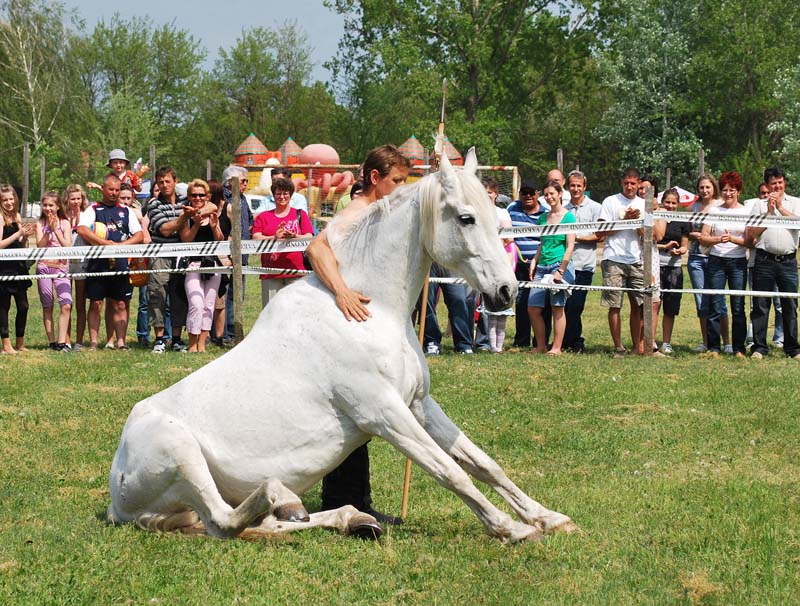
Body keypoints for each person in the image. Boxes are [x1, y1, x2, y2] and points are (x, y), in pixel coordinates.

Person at [306, 144, 410, 525]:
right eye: (397, 181)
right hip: (338, 325)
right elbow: (317, 248)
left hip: (355, 325)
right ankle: (342, 501)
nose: (401, 188)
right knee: (348, 417)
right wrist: (342, 291)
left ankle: (357, 500)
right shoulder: (358, 210)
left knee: (356, 419)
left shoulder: (378, 210)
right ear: (374, 178)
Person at [76, 173, 144, 350]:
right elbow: (81, 229)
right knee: (96, 304)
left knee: (120, 303)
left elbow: (139, 235)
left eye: (117, 190)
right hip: (97, 263)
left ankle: (121, 342)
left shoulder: (126, 211)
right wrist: (105, 244)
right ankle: (93, 342)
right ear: (103, 189)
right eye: (110, 189)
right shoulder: (93, 209)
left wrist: (120, 246)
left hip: (120, 263)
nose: (114, 193)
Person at [744, 167, 800, 359]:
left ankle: (792, 348)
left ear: (784, 183)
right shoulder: (758, 205)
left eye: (780, 182)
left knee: (789, 305)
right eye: (773, 183)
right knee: (760, 304)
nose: (777, 186)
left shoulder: (795, 202)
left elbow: (797, 224)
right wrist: (769, 212)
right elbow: (752, 233)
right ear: (767, 186)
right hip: (764, 260)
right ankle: (759, 347)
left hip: (788, 262)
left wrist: (780, 208)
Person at [698, 172, 750, 358]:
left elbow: (749, 241)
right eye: (725, 190)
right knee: (715, 304)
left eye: (732, 190)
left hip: (738, 262)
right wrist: (718, 239)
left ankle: (738, 348)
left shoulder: (746, 211)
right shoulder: (714, 211)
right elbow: (703, 238)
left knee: (738, 306)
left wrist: (733, 239)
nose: (728, 193)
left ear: (739, 191)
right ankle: (714, 347)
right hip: (716, 261)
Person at [596, 168, 646, 356]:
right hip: (613, 258)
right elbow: (600, 232)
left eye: (633, 183)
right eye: (626, 183)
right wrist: (623, 220)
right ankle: (618, 346)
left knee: (639, 305)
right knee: (614, 304)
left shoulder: (643, 204)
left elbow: (648, 235)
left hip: (636, 259)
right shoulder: (610, 201)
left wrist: (637, 222)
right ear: (621, 183)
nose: (629, 187)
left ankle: (637, 346)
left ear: (639, 184)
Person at [146, 166, 192, 353]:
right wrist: (184, 217)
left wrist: (187, 215)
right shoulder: (154, 204)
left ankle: (177, 339)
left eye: (167, 181)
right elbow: (164, 230)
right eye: (160, 182)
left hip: (181, 255)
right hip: (160, 255)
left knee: (178, 295)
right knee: (157, 295)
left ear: (175, 181)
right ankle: (159, 339)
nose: (164, 185)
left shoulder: (186, 201)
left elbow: (208, 206)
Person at [528, 180, 576, 355]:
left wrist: (561, 270)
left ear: (560, 194)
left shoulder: (569, 217)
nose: (549, 197)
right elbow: (543, 243)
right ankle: (541, 346)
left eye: (552, 194)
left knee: (557, 307)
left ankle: (556, 348)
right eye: (546, 195)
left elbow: (570, 246)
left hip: (559, 265)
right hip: (542, 267)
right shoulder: (542, 218)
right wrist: (534, 261)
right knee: (533, 308)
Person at [252, 176, 314, 307]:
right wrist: (274, 238)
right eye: (278, 193)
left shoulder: (300, 214)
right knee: (271, 309)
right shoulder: (263, 217)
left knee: (296, 309)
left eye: (285, 193)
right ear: (273, 196)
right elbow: (256, 238)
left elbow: (309, 236)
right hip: (271, 272)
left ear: (290, 195)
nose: (282, 197)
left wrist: (294, 236)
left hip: (296, 270)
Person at [179, 179, 225, 353]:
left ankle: (202, 344)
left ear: (207, 196)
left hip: (212, 263)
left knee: (208, 304)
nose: (197, 198)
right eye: (194, 195)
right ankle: (192, 343)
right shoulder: (185, 216)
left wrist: (214, 227)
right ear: (189, 196)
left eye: (201, 195)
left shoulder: (213, 212)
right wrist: (196, 225)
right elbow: (186, 239)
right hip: (192, 263)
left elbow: (220, 239)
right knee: (196, 303)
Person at [687, 174, 731, 354]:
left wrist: (708, 237)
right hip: (696, 257)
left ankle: (727, 342)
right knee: (701, 301)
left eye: (708, 187)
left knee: (719, 301)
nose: (704, 190)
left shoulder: (721, 205)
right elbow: (687, 231)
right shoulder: (693, 207)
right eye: (701, 187)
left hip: (716, 256)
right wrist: (694, 235)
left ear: (714, 188)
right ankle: (706, 342)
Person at [507, 179, 549, 347]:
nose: (528, 196)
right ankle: (521, 341)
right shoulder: (512, 209)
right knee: (521, 302)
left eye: (532, 193)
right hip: (519, 265)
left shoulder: (545, 214)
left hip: (540, 265)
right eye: (524, 193)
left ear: (538, 194)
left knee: (542, 303)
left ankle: (541, 341)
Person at [563, 170, 602, 353]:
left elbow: (599, 235)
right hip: (566, 265)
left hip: (585, 265)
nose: (576, 189)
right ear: (568, 187)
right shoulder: (563, 209)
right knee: (564, 305)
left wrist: (576, 237)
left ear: (585, 187)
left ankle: (575, 340)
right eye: (572, 185)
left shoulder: (595, 207)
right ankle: (568, 341)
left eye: (579, 185)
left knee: (577, 305)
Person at [745, 182, 783, 348]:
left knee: (780, 304)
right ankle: (753, 338)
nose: (766, 195)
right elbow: (750, 235)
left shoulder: (783, 208)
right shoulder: (756, 208)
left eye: (769, 192)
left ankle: (779, 338)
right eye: (763, 193)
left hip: (779, 263)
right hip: (757, 263)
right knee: (757, 303)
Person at [35, 192, 72, 352]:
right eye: (45, 205)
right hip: (44, 267)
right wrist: (48, 230)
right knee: (47, 305)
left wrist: (56, 229)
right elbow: (40, 245)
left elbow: (67, 246)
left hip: (61, 267)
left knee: (66, 304)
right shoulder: (39, 223)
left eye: (51, 205)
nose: (48, 208)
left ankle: (62, 342)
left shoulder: (65, 223)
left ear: (58, 206)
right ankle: (52, 342)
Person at [653, 188, 689, 354]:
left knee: (670, 307)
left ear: (678, 204)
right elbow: (650, 242)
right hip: (656, 265)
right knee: (654, 304)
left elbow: (685, 246)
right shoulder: (656, 217)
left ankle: (666, 342)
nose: (670, 205)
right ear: (662, 202)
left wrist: (680, 250)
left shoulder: (683, 220)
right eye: (667, 202)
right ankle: (651, 341)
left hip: (674, 267)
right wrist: (664, 247)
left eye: (674, 203)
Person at [0, 185, 34, 354]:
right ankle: (6, 345)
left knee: (24, 306)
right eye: (5, 199)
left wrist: (25, 236)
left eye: (11, 198)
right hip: (4, 268)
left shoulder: (17, 215)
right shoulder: (0, 218)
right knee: (3, 306)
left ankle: (20, 343)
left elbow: (20, 244)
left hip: (18, 267)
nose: (9, 202)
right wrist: (18, 233)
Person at [222, 165, 253, 344]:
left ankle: (234, 330)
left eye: (246, 181)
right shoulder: (224, 199)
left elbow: (249, 220)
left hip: (243, 253)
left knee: (238, 293)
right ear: (230, 182)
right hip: (227, 254)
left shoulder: (243, 199)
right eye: (242, 181)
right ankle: (226, 333)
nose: (245, 184)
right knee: (227, 293)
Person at [64, 184, 88, 350]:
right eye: (73, 198)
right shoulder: (63, 216)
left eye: (78, 198)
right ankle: (66, 340)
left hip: (81, 262)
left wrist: (79, 219)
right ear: (67, 199)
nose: (76, 201)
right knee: (66, 303)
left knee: (80, 303)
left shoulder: (87, 215)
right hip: (65, 263)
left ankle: (79, 341)